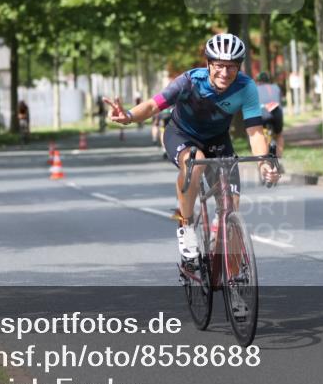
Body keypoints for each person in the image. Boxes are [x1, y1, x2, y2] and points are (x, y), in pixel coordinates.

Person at [105, 33, 281, 262]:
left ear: (239, 67)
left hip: (217, 140)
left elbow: (255, 131)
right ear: (209, 64)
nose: (225, 73)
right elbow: (151, 106)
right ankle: (186, 227)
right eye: (219, 66)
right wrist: (128, 115)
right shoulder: (189, 81)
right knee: (193, 162)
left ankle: (229, 276)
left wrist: (264, 163)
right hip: (181, 135)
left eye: (232, 67)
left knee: (231, 207)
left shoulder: (246, 87)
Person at [255, 71, 285, 157]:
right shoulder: (276, 87)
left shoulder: (255, 88)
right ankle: (279, 159)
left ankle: (264, 160)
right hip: (276, 112)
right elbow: (280, 102)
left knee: (259, 135)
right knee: (279, 135)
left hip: (262, 113)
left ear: (258, 81)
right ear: (269, 80)